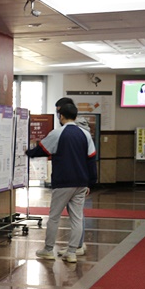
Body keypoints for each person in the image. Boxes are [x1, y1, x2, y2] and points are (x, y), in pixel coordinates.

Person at [26, 102, 96, 263]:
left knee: (54, 217)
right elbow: (92, 159)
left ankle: (48, 250)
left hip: (63, 182)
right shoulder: (85, 134)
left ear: (61, 116)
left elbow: (41, 150)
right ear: (75, 116)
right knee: (77, 218)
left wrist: (27, 152)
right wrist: (91, 183)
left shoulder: (57, 133)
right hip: (81, 182)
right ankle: (72, 252)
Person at [53, 97, 92, 257]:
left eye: (59, 111)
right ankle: (75, 246)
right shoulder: (78, 128)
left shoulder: (77, 129)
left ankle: (77, 246)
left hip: (75, 178)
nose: (58, 114)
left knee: (76, 215)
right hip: (78, 177)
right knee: (76, 215)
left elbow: (86, 157)